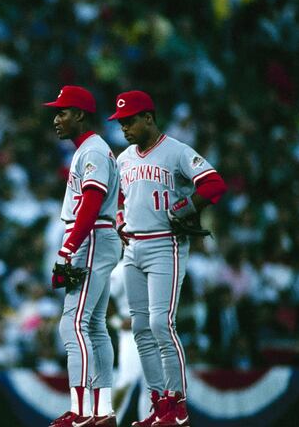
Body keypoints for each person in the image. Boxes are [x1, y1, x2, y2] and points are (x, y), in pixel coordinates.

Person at [109, 91, 227, 427]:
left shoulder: (176, 150)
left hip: (166, 245)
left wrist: (190, 205)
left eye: (129, 120)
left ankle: (178, 407)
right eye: (121, 122)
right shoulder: (124, 158)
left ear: (148, 117)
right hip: (132, 248)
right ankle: (158, 405)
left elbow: (214, 183)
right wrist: (119, 218)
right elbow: (118, 196)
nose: (124, 128)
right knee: (142, 330)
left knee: (161, 324)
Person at [43, 86, 122, 427]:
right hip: (99, 236)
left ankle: (82, 412)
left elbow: (91, 200)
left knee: (72, 324)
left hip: (91, 236)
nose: (56, 118)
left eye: (62, 112)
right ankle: (101, 410)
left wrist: (67, 249)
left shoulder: (91, 149)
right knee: (94, 326)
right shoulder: (92, 149)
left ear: (80, 115)